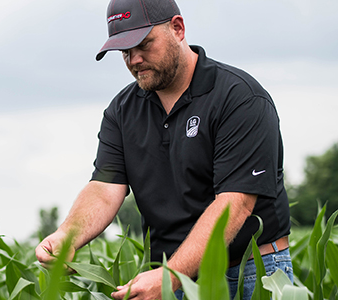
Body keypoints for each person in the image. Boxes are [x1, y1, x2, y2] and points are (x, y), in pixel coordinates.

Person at [35, 0, 293, 299]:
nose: (134, 60)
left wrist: (173, 274)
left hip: (249, 273)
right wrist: (66, 237)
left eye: (144, 44)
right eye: (125, 52)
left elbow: (235, 203)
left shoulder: (238, 98)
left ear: (178, 28)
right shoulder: (122, 111)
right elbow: (105, 187)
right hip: (167, 280)